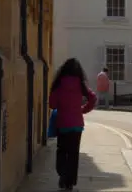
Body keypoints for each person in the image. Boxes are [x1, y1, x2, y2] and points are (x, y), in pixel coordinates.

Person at [49, 58, 97, 190]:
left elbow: (52, 104)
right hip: (76, 124)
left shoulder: (59, 84)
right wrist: (83, 109)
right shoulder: (80, 84)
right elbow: (93, 97)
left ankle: (62, 175)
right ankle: (70, 182)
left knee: (62, 150)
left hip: (63, 123)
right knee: (73, 153)